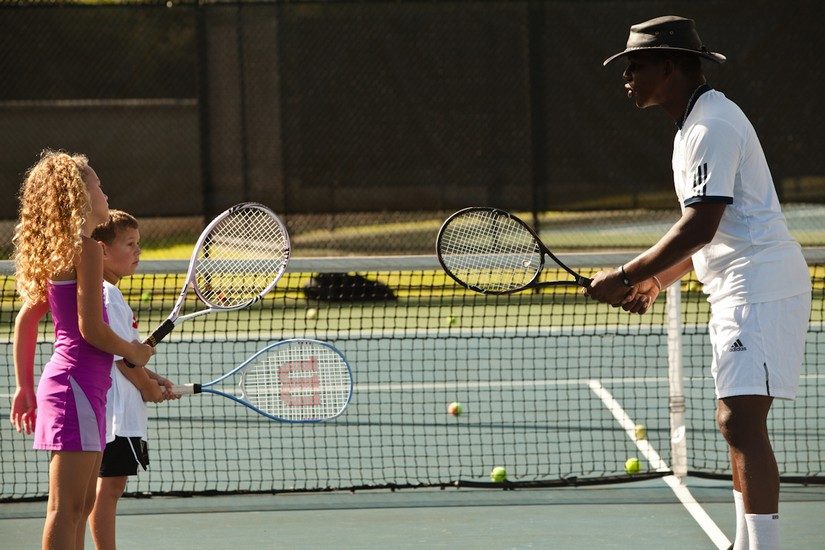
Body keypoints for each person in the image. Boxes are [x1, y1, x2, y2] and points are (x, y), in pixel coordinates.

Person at [588, 16, 812, 550]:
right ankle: (745, 541)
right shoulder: (692, 126)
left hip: (760, 288)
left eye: (635, 66)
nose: (626, 77)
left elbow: (700, 224)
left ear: (670, 66)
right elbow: (711, 237)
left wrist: (624, 275)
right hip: (737, 289)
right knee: (734, 421)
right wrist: (656, 282)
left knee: (740, 420)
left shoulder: (711, 125)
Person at [10, 151, 156, 549]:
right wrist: (133, 352)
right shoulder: (86, 249)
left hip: (84, 389)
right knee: (67, 508)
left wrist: (25, 386)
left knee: (82, 503)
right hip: (75, 387)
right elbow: (90, 329)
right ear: (78, 196)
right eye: (97, 185)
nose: (104, 193)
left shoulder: (71, 250)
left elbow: (26, 321)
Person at [88, 210, 178, 549]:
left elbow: (125, 356)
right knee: (108, 491)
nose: (137, 251)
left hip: (114, 411)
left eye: (138, 244)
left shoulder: (107, 293)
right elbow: (125, 360)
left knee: (108, 490)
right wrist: (148, 388)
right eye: (129, 244)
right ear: (102, 250)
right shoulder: (108, 295)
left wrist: (153, 378)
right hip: (116, 416)